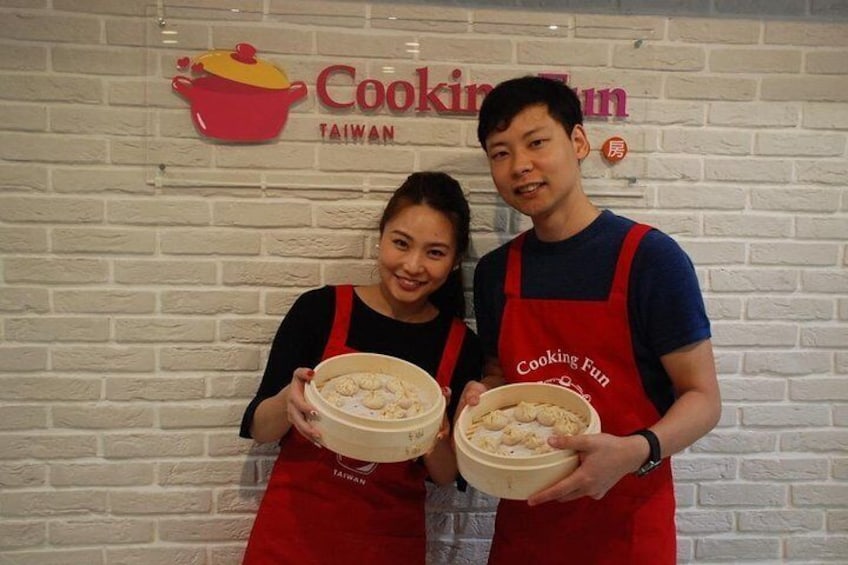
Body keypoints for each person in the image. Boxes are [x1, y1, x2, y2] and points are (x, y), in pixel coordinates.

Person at [462, 75, 722, 564]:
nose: (520, 165)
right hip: (528, 523)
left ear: (578, 142)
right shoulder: (497, 272)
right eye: (500, 153)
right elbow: (499, 373)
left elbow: (703, 398)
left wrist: (635, 451)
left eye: (536, 142)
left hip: (625, 524)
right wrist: (482, 395)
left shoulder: (650, 259)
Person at [239, 171, 483, 565]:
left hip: (386, 545)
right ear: (381, 238)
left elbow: (444, 474)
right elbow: (259, 429)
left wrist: (435, 430)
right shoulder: (319, 311)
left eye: (435, 253)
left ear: (455, 262)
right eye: (400, 243)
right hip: (290, 539)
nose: (412, 265)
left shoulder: (461, 346)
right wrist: (289, 398)